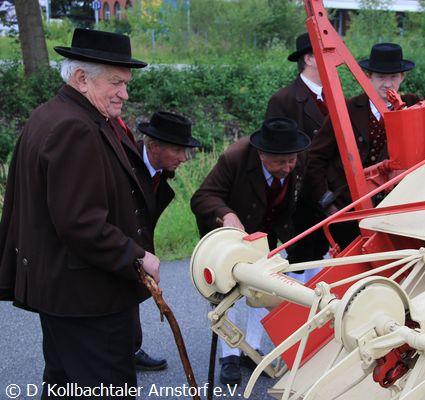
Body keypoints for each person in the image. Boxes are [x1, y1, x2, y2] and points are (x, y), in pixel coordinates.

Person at [0, 28, 158, 398]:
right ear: (82, 78)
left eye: (126, 83)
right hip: (88, 297)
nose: (125, 93)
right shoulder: (75, 127)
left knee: (65, 386)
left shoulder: (51, 114)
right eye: (116, 82)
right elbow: (80, 222)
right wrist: (137, 257)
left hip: (63, 292)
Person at [190, 117, 310, 384]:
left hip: (266, 233)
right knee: (228, 290)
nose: (288, 167)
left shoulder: (297, 158)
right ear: (261, 154)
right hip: (231, 237)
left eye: (291, 161)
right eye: (280, 162)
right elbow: (202, 197)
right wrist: (226, 214)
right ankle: (229, 356)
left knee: (265, 287)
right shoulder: (234, 158)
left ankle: (252, 349)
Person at [305, 42, 421, 249]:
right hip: (346, 207)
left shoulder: (414, 106)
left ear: (402, 77)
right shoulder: (346, 109)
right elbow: (316, 157)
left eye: (393, 76)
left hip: (392, 210)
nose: (388, 84)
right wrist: (327, 203)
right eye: (381, 77)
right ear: (368, 76)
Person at [122, 111, 201, 370]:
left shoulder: (159, 170)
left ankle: (131, 348)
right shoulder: (125, 165)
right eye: (177, 150)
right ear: (154, 146)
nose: (183, 158)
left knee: (132, 289)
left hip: (136, 242)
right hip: (118, 243)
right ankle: (122, 354)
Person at [265, 32, 330, 266]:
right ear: (309, 59)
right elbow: (272, 153)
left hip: (332, 191)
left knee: (327, 257)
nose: (331, 59)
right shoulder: (283, 100)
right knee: (301, 258)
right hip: (300, 197)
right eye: (324, 54)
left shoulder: (335, 96)